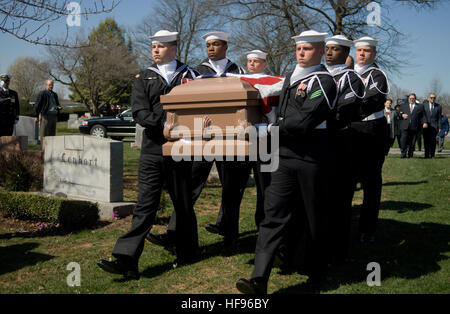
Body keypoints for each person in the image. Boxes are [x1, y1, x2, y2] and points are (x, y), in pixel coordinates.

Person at [236, 30, 337, 294]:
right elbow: (275, 99)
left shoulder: (324, 82)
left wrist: (269, 129)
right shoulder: (292, 77)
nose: (301, 52)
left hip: (312, 156)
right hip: (284, 156)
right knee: (273, 214)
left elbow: (305, 120)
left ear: (320, 51)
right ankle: (259, 278)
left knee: (314, 217)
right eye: (298, 48)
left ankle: (317, 271)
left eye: (306, 48)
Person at [97, 30, 199, 280]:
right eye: (153, 46)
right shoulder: (144, 76)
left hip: (181, 149)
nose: (155, 50)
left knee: (183, 204)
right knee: (145, 205)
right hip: (153, 148)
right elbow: (139, 111)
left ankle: (187, 252)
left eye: (161, 46)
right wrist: (161, 125)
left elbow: (199, 105)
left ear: (174, 48)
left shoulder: (190, 75)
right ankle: (126, 260)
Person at [148, 31, 248, 250]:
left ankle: (230, 238)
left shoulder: (238, 71)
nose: (211, 48)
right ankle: (174, 233)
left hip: (230, 136)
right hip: (202, 138)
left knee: (231, 189)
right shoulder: (198, 72)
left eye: (216, 44)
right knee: (189, 188)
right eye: (208, 45)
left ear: (226, 46)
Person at [325, 34, 365, 264]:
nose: (329, 53)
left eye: (335, 49)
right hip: (317, 144)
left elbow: (343, 111)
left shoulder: (351, 79)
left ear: (346, 53)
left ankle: (339, 250)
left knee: (339, 198)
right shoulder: (317, 74)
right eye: (327, 48)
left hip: (340, 143)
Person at [350, 36, 389, 244]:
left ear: (373, 53)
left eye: (366, 51)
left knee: (371, 182)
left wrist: (347, 109)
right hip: (351, 129)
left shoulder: (377, 75)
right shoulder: (348, 73)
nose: (362, 54)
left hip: (372, 130)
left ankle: (367, 228)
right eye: (359, 51)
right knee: (347, 180)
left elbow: (372, 100)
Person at [34, 80, 61, 148]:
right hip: (45, 116)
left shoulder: (55, 94)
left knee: (52, 134)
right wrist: (36, 116)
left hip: (54, 115)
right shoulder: (42, 93)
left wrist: (59, 107)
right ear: (46, 85)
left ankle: (51, 150)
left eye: (52, 85)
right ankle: (43, 150)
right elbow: (37, 105)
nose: (51, 86)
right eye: (49, 85)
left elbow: (57, 104)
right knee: (44, 134)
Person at [399, 93, 424, 158]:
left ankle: (410, 154)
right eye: (410, 98)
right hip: (405, 126)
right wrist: (402, 115)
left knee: (412, 143)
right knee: (403, 141)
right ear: (408, 99)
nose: (411, 100)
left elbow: (422, 117)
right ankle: (403, 154)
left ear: (415, 99)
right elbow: (398, 113)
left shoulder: (419, 106)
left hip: (414, 127)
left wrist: (424, 123)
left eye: (413, 98)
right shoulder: (403, 105)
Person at [422, 93, 442, 158]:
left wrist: (439, 127)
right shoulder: (424, 105)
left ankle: (432, 154)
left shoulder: (438, 106)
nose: (432, 99)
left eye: (434, 98)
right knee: (426, 141)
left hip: (434, 127)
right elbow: (422, 116)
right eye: (431, 97)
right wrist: (423, 123)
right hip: (426, 126)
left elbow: (439, 118)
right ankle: (426, 155)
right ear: (429, 98)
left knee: (433, 141)